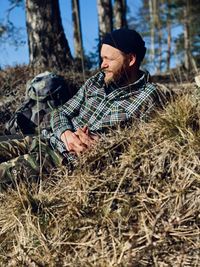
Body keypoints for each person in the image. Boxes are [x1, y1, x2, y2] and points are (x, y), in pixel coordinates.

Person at [0, 28, 162, 190]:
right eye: (101, 58)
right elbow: (60, 112)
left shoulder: (149, 96)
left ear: (131, 59)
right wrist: (66, 133)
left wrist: (101, 144)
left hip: (62, 160)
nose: (102, 65)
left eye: (108, 59)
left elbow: (139, 145)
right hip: (45, 139)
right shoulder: (95, 82)